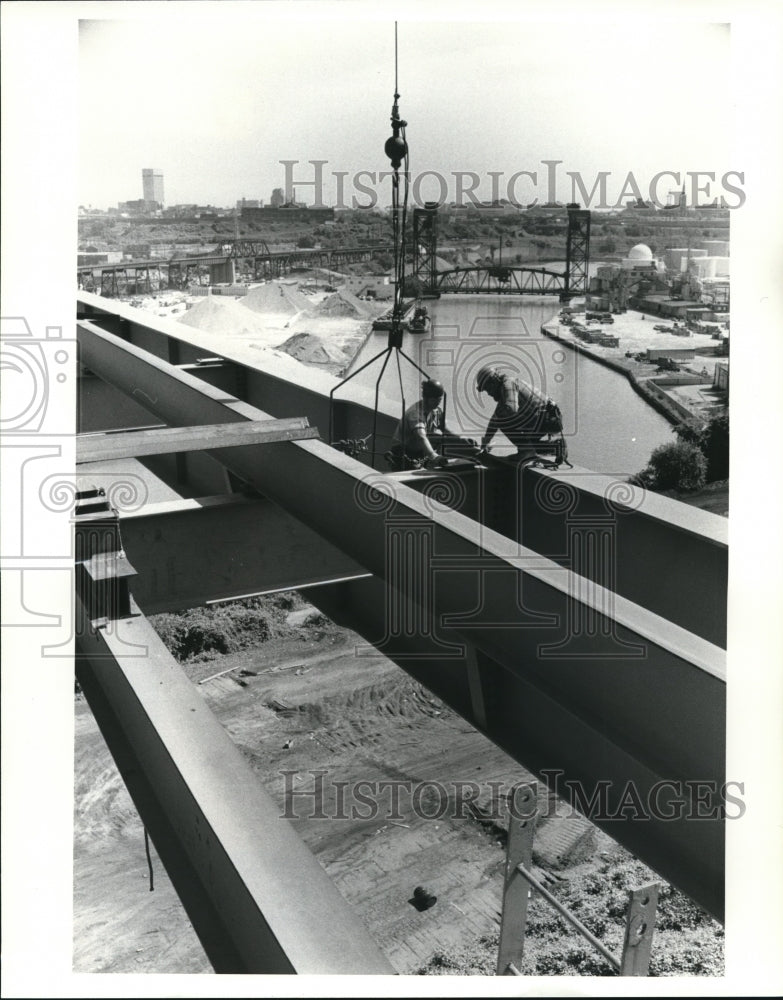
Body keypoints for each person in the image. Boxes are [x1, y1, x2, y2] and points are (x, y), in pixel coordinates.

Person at [475, 366, 565, 459]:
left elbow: (510, 410)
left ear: (493, 382)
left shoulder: (508, 385)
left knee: (502, 421)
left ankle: (526, 451)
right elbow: (494, 419)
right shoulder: (504, 389)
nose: (489, 393)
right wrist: (487, 440)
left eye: (488, 389)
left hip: (547, 419)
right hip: (546, 418)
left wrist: (498, 417)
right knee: (531, 445)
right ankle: (557, 446)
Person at [387, 379, 450, 470]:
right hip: (402, 454)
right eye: (436, 400)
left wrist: (465, 442)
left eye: (439, 400)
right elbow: (421, 436)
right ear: (429, 399)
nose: (438, 402)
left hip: (419, 452)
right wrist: (434, 456)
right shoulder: (415, 414)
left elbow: (447, 430)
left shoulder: (435, 411)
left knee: (442, 438)